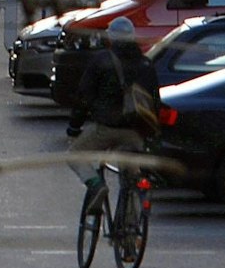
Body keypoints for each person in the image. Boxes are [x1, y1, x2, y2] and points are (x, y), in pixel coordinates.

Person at [66, 16, 161, 193]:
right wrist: (152, 135)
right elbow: (155, 101)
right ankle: (134, 209)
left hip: (106, 128)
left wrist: (74, 127)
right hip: (135, 131)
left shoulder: (101, 60)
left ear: (111, 38)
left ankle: (96, 186)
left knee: (74, 155)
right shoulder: (146, 64)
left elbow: (84, 97)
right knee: (131, 169)